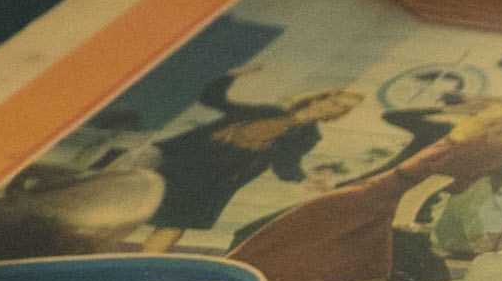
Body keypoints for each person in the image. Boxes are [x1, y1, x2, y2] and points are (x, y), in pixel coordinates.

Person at [231, 102, 502, 281]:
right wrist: (406, 224)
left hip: (367, 200)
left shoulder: (472, 138)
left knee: (321, 263)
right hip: (381, 209)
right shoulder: (493, 150)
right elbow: (427, 184)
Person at [143, 76, 364, 251]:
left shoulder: (309, 136)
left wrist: (305, 179)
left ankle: (145, 262)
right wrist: (232, 75)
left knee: (174, 223)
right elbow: (213, 99)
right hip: (186, 162)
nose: (334, 108)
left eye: (342, 109)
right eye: (334, 102)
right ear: (318, 99)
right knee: (139, 203)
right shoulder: (267, 111)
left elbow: (285, 165)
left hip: (220, 179)